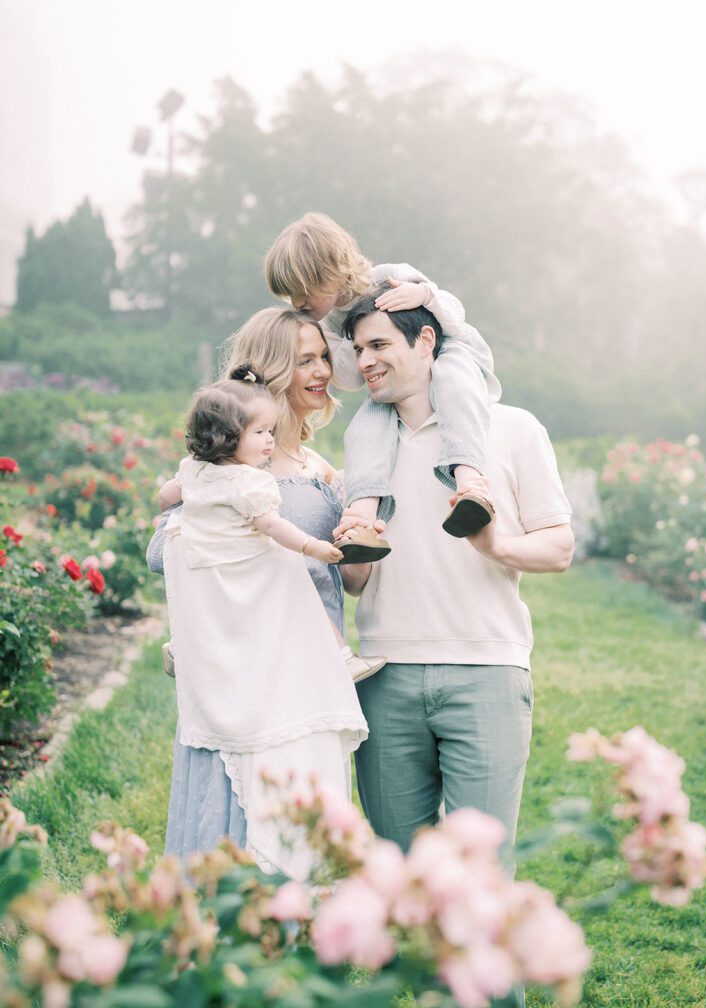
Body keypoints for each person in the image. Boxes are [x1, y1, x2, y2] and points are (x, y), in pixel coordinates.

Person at [337, 286, 575, 861]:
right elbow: (353, 585)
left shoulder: (512, 429)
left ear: (425, 341)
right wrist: (350, 552)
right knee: (397, 870)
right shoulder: (364, 445)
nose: (364, 361)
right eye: (357, 349)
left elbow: (560, 547)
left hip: (487, 671)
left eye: (377, 344)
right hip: (383, 674)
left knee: (481, 875)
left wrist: (494, 544)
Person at [147, 307, 374, 873]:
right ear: (272, 374)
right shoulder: (233, 474)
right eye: (304, 360)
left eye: (323, 355)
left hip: (308, 678)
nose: (322, 370)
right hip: (248, 684)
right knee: (244, 838)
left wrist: (363, 536)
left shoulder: (314, 464)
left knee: (303, 837)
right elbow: (163, 552)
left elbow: (344, 580)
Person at [264, 212, 503, 553]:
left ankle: (471, 484)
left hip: (451, 351)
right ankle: (361, 520)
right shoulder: (329, 325)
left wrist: (423, 296)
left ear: (329, 272)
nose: (296, 304)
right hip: (396, 385)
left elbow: (454, 313)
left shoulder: (390, 277)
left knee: (452, 384)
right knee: (366, 427)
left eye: (301, 292)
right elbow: (351, 379)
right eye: (288, 296)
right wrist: (331, 342)